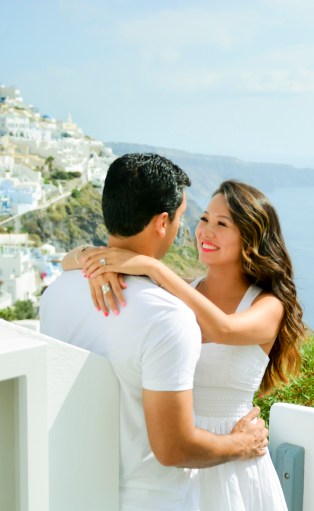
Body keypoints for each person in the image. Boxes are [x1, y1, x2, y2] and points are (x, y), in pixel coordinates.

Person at [41, 154, 270, 511]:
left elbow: (224, 329)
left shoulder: (55, 294)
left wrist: (107, 260)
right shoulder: (169, 315)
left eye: (223, 223)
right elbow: (173, 448)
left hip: (73, 488)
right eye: (190, 218)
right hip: (157, 495)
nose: (198, 229)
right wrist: (243, 443)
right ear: (163, 222)